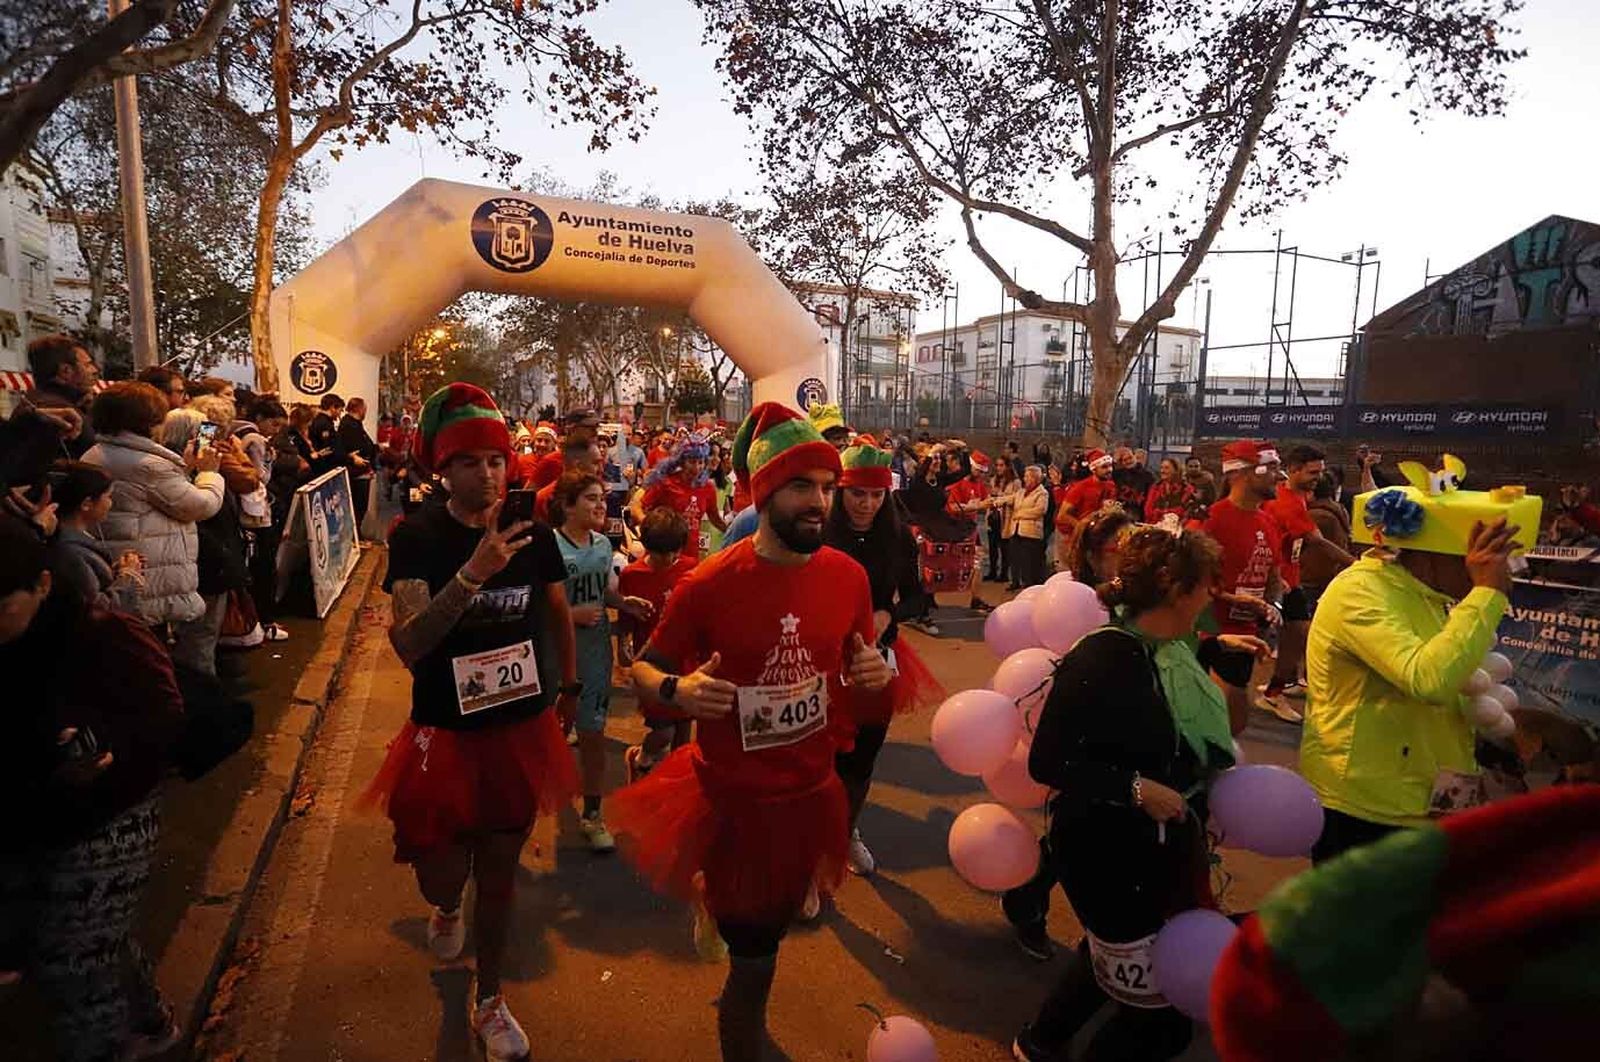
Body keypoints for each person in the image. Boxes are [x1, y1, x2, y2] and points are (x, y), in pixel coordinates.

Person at [610, 402, 891, 1062]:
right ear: (763, 492)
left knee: (778, 923)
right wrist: (679, 690)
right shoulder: (708, 584)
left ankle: (728, 933)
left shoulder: (849, 577)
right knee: (755, 957)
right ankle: (744, 1040)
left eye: (827, 487)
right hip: (732, 801)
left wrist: (874, 671)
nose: (820, 502)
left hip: (811, 794)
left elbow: (859, 667)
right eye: (801, 486)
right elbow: (644, 668)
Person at [360, 383, 581, 1061]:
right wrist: (473, 575)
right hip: (445, 732)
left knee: (501, 872)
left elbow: (554, 608)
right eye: (468, 462)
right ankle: (446, 904)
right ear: (442, 469)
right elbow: (409, 643)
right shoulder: (418, 537)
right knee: (440, 871)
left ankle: (490, 999)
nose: (487, 475)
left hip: (519, 727)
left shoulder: (531, 531)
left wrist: (569, 685)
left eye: (495, 460)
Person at [1012, 527, 1258, 1062]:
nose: (1212, 595)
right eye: (1205, 584)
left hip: (1152, 847)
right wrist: (1136, 788)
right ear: (1174, 588)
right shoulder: (1102, 658)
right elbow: (1048, 761)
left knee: (1110, 952)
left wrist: (1216, 653)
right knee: (1159, 1027)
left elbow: (1170, 711)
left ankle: (1041, 1041)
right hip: (1104, 852)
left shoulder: (1169, 648)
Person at [0, 513, 187, 1062]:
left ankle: (108, 1047)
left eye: (1, 607)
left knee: (71, 959)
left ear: (42, 584)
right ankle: (151, 1023)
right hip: (31, 812)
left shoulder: (104, 633)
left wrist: (104, 750)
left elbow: (164, 715)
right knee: (91, 938)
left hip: (112, 812)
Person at [1298, 466, 1529, 864]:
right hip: (1366, 809)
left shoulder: (1427, 593)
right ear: (1430, 553)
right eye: (1477, 560)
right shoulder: (1360, 593)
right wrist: (1486, 593)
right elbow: (1428, 679)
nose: (1495, 572)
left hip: (1424, 802)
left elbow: (1453, 675)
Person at [1001, 505, 1135, 960]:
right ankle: (1030, 901)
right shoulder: (1075, 601)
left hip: (1127, 729)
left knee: (1095, 835)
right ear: (1093, 555)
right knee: (1077, 833)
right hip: (1079, 737)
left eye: (1134, 544)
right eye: (1119, 547)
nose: (1128, 555)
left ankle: (1034, 901)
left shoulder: (1135, 597)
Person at [826, 440, 944, 877]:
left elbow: (916, 597)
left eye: (876, 495)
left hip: (879, 659)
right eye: (858, 494)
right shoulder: (819, 534)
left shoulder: (897, 537)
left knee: (864, 755)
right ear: (841, 492)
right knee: (821, 757)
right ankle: (813, 843)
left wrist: (888, 613)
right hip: (823, 661)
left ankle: (847, 832)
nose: (867, 504)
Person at [551, 470, 653, 851]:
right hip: (556, 656)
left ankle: (592, 814)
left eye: (602, 498)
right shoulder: (550, 547)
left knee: (592, 734)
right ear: (567, 506)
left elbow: (602, 593)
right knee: (550, 733)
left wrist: (624, 603)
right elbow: (537, 604)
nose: (600, 505)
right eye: (591, 499)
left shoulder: (602, 546)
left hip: (595, 656)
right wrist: (570, 615)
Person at [82, 383, 225, 633]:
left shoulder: (97, 452)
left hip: (120, 566)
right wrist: (209, 473)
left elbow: (159, 497)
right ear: (148, 421)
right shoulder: (149, 465)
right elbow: (200, 506)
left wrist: (186, 468)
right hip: (149, 577)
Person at [1261, 444, 1356, 717]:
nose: (1319, 477)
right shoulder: (1288, 502)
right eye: (1313, 472)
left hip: (1290, 579)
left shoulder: (1298, 497)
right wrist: (1358, 564)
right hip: (1276, 581)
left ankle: (1274, 691)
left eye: (1320, 472)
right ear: (1293, 470)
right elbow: (1318, 541)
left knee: (1297, 634)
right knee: (1280, 638)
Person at [1202, 441, 1284, 717]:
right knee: (1222, 720)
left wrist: (1273, 607)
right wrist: (1234, 599)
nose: (1279, 476)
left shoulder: (1268, 522)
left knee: (1234, 721)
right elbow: (1189, 580)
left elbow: (1274, 576)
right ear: (1244, 473)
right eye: (1271, 469)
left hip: (1248, 635)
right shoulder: (1211, 520)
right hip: (1211, 635)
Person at [618, 508, 700, 781]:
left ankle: (675, 780)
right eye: (662, 553)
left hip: (686, 658)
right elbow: (626, 615)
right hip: (652, 661)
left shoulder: (690, 567)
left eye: (674, 552)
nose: (669, 558)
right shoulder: (632, 574)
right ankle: (641, 758)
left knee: (684, 726)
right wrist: (623, 644)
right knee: (663, 729)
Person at [43, 460, 144, 612]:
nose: (110, 503)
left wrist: (118, 570)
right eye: (108, 496)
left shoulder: (74, 542)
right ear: (86, 504)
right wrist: (129, 577)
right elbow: (99, 609)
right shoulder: (71, 552)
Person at [636, 431, 726, 563]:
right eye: (692, 462)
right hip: (662, 555)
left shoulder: (708, 488)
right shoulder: (665, 483)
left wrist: (735, 532)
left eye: (701, 462)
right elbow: (637, 508)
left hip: (690, 557)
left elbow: (715, 519)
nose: (697, 467)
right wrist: (653, 530)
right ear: (682, 461)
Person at [26, 334, 100, 457]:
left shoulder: (33, 403)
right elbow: (95, 456)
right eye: (87, 365)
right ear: (66, 371)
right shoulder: (63, 413)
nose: (94, 370)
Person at [1055, 448, 1118, 569]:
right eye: (1104, 467)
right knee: (1070, 570)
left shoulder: (1111, 486)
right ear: (1094, 469)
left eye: (1110, 466)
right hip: (1069, 534)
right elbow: (1062, 516)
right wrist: (1082, 526)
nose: (1109, 470)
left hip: (1092, 535)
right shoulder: (1081, 488)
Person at [336, 396, 378, 532]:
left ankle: (357, 533)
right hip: (355, 472)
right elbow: (357, 447)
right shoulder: (349, 425)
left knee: (361, 506)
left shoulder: (356, 424)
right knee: (357, 505)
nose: (366, 412)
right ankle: (355, 535)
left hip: (362, 471)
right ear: (359, 409)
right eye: (365, 409)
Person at [1010, 465, 1051, 588]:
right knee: (1017, 558)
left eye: (1027, 476)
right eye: (1025, 476)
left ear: (1035, 478)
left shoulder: (1042, 493)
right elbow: (1009, 499)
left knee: (1029, 562)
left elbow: (1040, 510)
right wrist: (993, 501)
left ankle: (1030, 585)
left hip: (1031, 533)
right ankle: (1018, 582)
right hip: (1017, 530)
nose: (1024, 479)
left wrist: (1019, 514)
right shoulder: (1021, 492)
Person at [987, 461, 1019, 585]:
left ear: (1008, 466)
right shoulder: (994, 480)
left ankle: (1004, 573)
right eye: (997, 465)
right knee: (992, 546)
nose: (998, 468)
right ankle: (992, 571)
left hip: (1005, 517)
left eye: (1001, 465)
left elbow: (1016, 498)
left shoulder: (1015, 482)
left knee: (1004, 546)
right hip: (993, 515)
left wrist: (1002, 498)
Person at [1145, 458, 1194, 524]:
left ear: (1176, 470)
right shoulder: (1155, 487)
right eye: (1161, 468)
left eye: (1166, 468)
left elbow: (1182, 511)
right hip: (1154, 525)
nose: (1162, 471)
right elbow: (1148, 510)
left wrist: (1159, 513)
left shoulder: (1186, 489)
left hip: (1177, 526)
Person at [307, 393, 343, 476]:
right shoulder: (324, 424)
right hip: (325, 468)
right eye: (340, 410)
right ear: (333, 407)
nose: (339, 414)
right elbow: (327, 447)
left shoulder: (323, 421)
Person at [1111, 446, 1155, 513]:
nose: (1128, 461)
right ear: (1121, 463)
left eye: (1130, 458)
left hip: (1139, 512)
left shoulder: (1148, 476)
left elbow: (1151, 497)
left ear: (1135, 456)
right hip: (1120, 512)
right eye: (1125, 460)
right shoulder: (1117, 475)